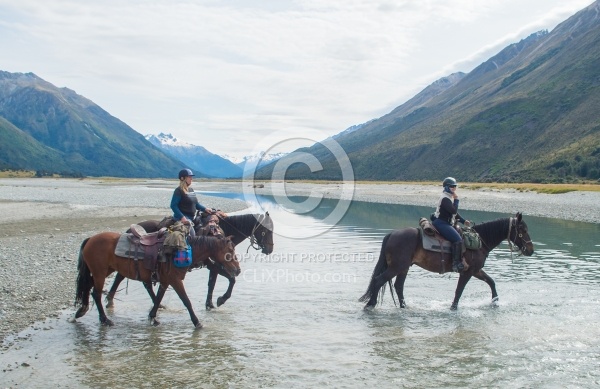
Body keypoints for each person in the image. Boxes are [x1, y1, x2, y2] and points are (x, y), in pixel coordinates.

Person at [431, 177, 471, 272]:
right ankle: (455, 264)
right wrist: (456, 199)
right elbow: (453, 211)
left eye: (455, 186)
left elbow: (452, 213)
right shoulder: (445, 198)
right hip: (441, 223)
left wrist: (463, 221)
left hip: (445, 222)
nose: (454, 188)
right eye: (452, 186)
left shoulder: (448, 197)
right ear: (446, 187)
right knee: (458, 240)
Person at [170, 168, 216, 237]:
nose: (191, 178)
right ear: (183, 178)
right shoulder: (178, 190)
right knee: (192, 235)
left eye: (191, 177)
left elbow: (196, 204)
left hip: (192, 217)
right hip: (183, 218)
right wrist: (182, 217)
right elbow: (173, 205)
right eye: (189, 177)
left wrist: (205, 209)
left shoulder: (191, 190)